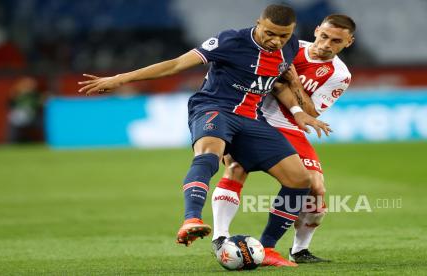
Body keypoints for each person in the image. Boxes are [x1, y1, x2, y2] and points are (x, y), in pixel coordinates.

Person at [78, 4, 331, 266]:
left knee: (300, 180)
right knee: (210, 153)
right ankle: (192, 219)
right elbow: (176, 64)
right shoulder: (230, 40)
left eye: (284, 35)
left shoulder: (288, 49)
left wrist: (298, 111)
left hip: (252, 118)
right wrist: (120, 79)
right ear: (258, 23)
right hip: (214, 108)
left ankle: (267, 249)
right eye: (270, 33)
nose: (276, 40)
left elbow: (276, 84)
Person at [210, 14, 355, 265]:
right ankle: (220, 236)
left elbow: (311, 113)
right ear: (317, 29)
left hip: (292, 125)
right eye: (323, 36)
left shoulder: (340, 75)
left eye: (336, 41)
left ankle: (299, 250)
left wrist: (296, 82)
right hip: (254, 116)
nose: (326, 45)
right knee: (236, 166)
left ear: (348, 42)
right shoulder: (289, 46)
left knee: (315, 188)